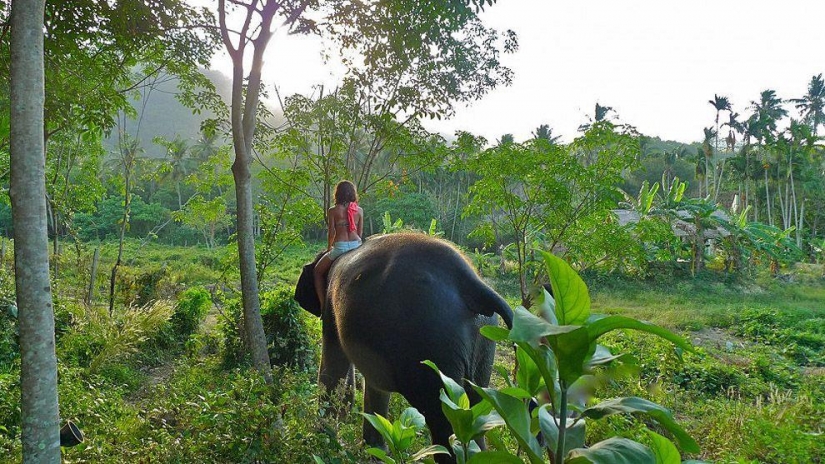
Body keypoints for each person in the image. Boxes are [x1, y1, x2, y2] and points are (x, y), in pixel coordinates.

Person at [314, 180, 364, 308]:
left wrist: (329, 248)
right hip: (356, 246)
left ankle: (323, 306)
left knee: (317, 271)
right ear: (353, 193)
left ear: (338, 193)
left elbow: (331, 233)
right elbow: (360, 233)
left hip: (340, 247)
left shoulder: (332, 211)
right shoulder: (359, 210)